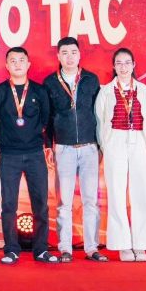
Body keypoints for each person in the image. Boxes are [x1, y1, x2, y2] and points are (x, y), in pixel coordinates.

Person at [0, 47, 57, 265]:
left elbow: (46, 119)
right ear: (6, 65)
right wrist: (2, 142)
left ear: (28, 64)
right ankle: (11, 249)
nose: (17, 64)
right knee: (9, 205)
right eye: (13, 61)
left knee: (41, 204)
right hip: (9, 155)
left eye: (21, 60)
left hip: (35, 153)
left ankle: (41, 249)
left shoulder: (39, 91)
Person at [42, 37, 105, 262]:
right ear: (58, 56)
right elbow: (47, 118)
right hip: (63, 148)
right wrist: (48, 146)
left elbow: (99, 114)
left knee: (91, 201)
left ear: (80, 55)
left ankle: (92, 248)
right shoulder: (50, 82)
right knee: (64, 203)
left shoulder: (91, 80)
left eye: (73, 52)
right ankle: (65, 248)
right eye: (65, 53)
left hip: (89, 147)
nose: (69, 57)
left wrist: (100, 145)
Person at [94, 47, 146, 262]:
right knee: (116, 193)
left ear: (134, 65)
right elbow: (99, 120)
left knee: (141, 192)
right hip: (115, 141)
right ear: (113, 66)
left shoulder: (144, 90)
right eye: (119, 63)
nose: (123, 67)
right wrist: (106, 145)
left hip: (138, 140)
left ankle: (141, 244)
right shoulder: (106, 91)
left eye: (127, 62)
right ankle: (122, 245)